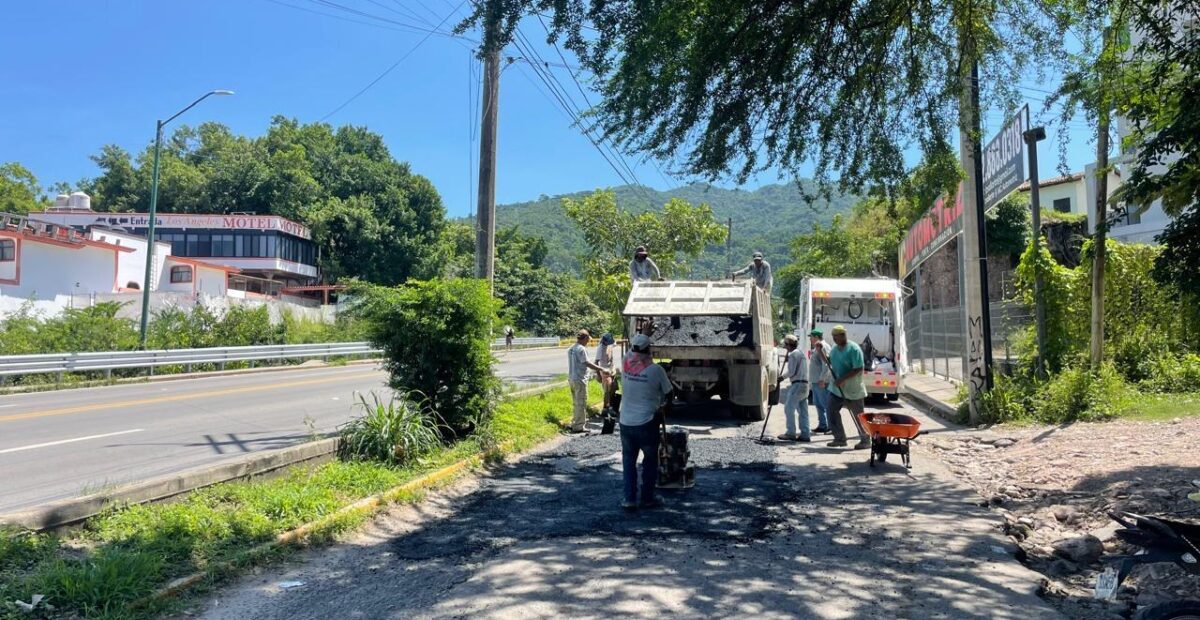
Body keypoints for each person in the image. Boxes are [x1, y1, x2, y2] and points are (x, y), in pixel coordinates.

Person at [618, 334, 672, 510]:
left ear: (633, 349)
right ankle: (647, 498)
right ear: (649, 350)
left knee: (628, 461)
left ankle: (629, 499)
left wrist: (644, 334)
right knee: (650, 461)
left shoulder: (626, 362)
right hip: (646, 422)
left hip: (625, 421)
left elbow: (634, 351)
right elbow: (669, 393)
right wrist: (662, 406)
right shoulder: (656, 370)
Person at [826, 325, 870, 449]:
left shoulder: (854, 349)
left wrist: (842, 379)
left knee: (859, 416)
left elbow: (858, 368)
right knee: (831, 410)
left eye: (837, 337)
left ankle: (866, 439)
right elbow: (830, 361)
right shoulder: (834, 349)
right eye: (833, 337)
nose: (834, 339)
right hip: (837, 389)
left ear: (843, 335)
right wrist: (820, 352)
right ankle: (839, 438)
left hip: (853, 389)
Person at [568, 329, 609, 433]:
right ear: (585, 338)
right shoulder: (581, 349)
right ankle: (579, 426)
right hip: (580, 379)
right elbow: (586, 362)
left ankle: (575, 422)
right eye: (587, 339)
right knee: (581, 403)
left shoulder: (571, 348)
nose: (588, 342)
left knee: (576, 402)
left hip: (572, 378)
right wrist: (601, 369)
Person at [776, 334, 811, 442]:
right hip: (805, 384)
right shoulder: (800, 353)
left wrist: (780, 378)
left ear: (788, 345)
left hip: (797, 384)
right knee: (803, 411)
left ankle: (791, 433)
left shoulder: (793, 355)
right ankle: (805, 434)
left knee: (788, 408)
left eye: (785, 345)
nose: (785, 347)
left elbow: (791, 372)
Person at [808, 328, 832, 434]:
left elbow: (826, 364)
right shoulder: (818, 346)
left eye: (812, 337)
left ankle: (830, 426)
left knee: (825, 404)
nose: (810, 339)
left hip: (821, 381)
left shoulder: (823, 346)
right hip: (816, 381)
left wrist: (822, 379)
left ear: (817, 337)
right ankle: (823, 425)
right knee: (818, 404)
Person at [594, 332, 616, 409]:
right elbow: (596, 362)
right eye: (608, 342)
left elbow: (614, 343)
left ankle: (611, 406)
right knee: (607, 392)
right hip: (605, 372)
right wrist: (599, 375)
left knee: (613, 389)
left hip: (611, 370)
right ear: (604, 341)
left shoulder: (609, 344)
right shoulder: (600, 348)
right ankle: (606, 409)